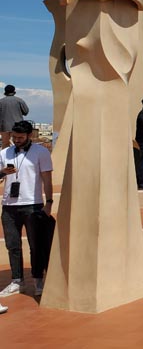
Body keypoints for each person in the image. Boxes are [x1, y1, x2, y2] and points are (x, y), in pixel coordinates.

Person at [0, 121, 53, 298]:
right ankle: (17, 281)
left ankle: (38, 279)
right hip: (9, 206)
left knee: (36, 245)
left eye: (20, 137)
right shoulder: (4, 152)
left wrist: (49, 202)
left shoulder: (41, 152)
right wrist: (3, 172)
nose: (16, 140)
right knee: (12, 245)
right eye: (14, 137)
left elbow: (46, 178)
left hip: (33, 204)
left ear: (30, 136)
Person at [0, 85, 29, 150]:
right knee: (19, 144)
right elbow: (26, 112)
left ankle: (6, 159)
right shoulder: (19, 100)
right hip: (18, 127)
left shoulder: (1, 101)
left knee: (5, 145)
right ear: (14, 91)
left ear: (5, 92)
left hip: (4, 127)